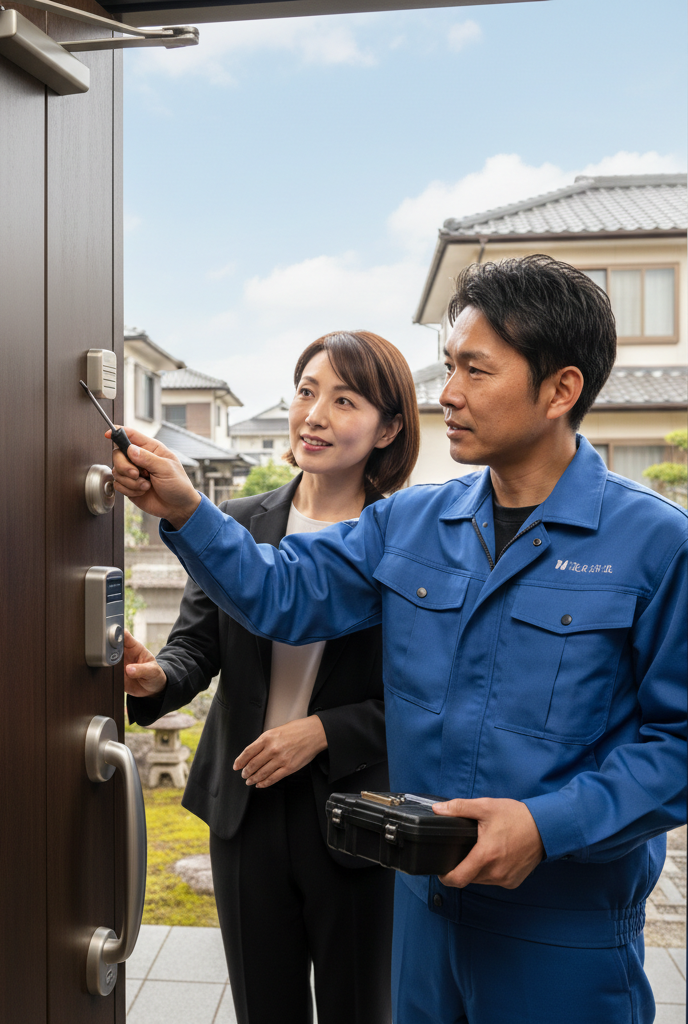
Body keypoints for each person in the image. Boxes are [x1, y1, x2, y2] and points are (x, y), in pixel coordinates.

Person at [111, 255, 687, 1024]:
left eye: (476, 371)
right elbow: (280, 594)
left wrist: (546, 828)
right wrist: (186, 510)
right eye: (450, 367)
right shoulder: (412, 523)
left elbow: (686, 747)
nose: (447, 393)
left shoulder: (656, 544)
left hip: (561, 930)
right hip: (421, 911)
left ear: (560, 390)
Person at [121, 331, 421, 1024]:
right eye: (306, 392)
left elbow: (424, 693)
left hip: (356, 809)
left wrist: (325, 731)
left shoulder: (406, 540)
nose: (313, 414)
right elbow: (196, 647)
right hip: (246, 802)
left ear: (389, 428)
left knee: (360, 1008)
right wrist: (157, 678)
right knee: (263, 1008)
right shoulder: (238, 523)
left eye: (344, 400)